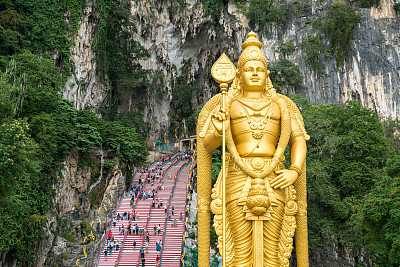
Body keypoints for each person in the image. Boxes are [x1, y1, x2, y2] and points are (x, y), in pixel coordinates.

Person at [197, 32, 308, 266]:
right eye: (249, 69)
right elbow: (207, 146)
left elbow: (298, 139)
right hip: (238, 177)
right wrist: (218, 129)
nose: (255, 73)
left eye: (259, 68)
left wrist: (294, 170)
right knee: (239, 251)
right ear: (239, 75)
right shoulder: (227, 103)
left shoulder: (282, 105)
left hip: (275, 177)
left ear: (267, 74)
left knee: (273, 252)